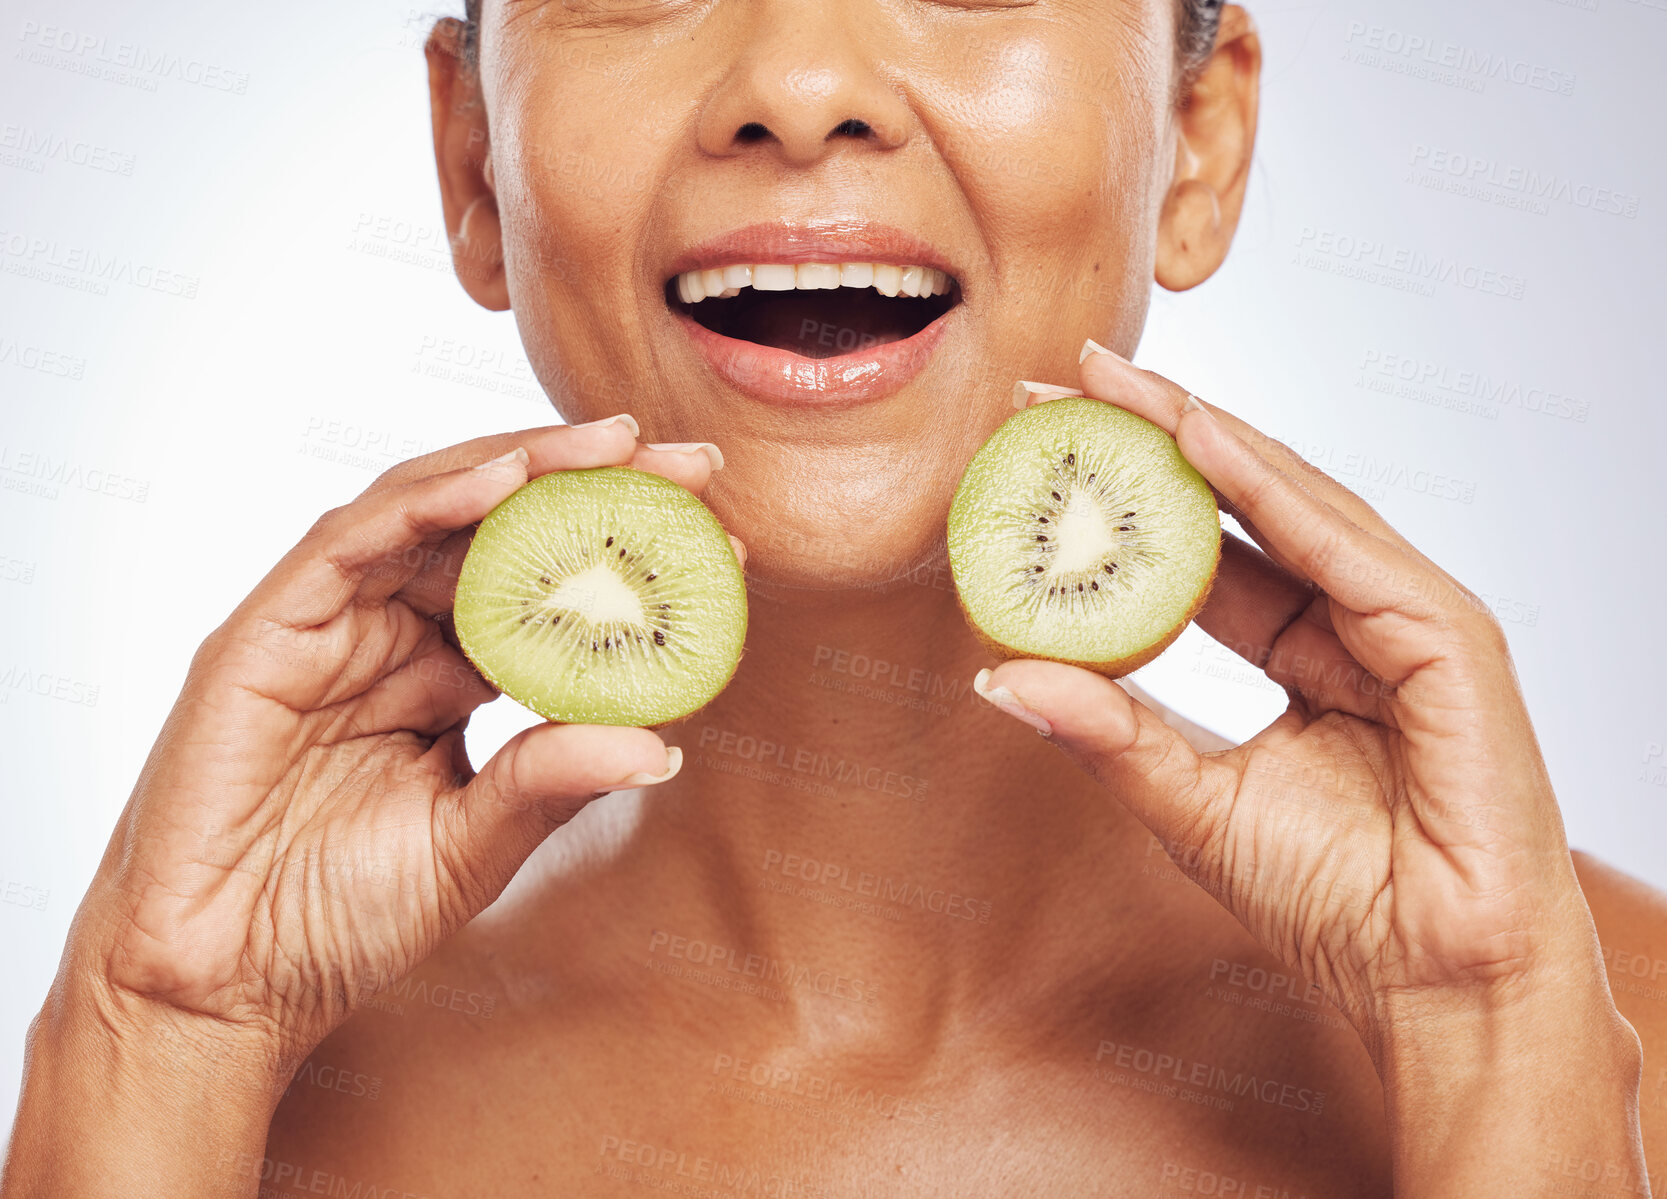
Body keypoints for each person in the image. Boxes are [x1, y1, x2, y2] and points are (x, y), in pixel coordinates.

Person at [6, 2, 1664, 1195]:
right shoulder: (231, 1092)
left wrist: (1495, 1055)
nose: (798, 86)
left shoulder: (1595, 1007)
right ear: (473, 163)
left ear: (1199, 145)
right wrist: (157, 1044)